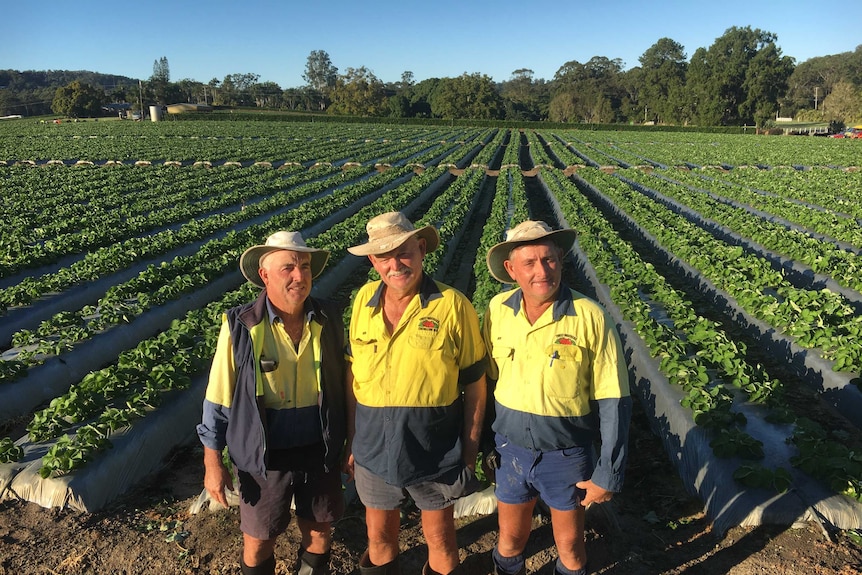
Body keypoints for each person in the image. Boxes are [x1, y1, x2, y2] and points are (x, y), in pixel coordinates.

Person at [482, 221, 632, 575]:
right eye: (530, 263)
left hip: (566, 455)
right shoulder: (498, 309)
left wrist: (607, 472)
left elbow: (615, 400)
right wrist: (486, 444)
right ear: (511, 269)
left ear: (561, 260)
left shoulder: (590, 316)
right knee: (510, 539)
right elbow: (488, 381)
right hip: (511, 451)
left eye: (548, 260)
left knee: (571, 549)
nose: (541, 271)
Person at [343, 211, 487, 575]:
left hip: (433, 448)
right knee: (378, 538)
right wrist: (352, 441)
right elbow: (353, 377)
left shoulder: (453, 306)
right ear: (373, 261)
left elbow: (475, 385)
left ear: (421, 249)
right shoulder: (362, 302)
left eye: (404, 252)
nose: (395, 264)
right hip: (374, 447)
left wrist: (468, 455)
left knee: (439, 538)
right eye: (383, 256)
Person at [196, 231, 347, 575]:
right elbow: (218, 400)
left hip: (319, 447)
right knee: (259, 538)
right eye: (288, 268)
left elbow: (346, 385)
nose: (299, 276)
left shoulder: (329, 317)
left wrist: (350, 441)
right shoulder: (240, 325)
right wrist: (212, 463)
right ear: (264, 275)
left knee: (319, 531)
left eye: (305, 267)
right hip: (263, 452)